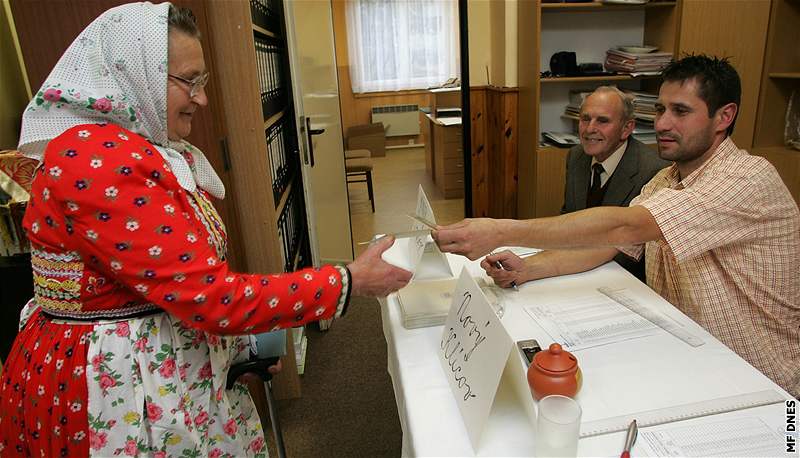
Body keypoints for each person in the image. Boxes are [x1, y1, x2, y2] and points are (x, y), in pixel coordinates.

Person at [0, 3, 411, 457]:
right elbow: (210, 296)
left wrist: (233, 346)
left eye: (203, 82)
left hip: (160, 369)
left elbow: (173, 280)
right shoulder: (94, 158)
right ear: (131, 72)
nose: (202, 98)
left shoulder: (142, 149)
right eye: (188, 81)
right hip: (115, 393)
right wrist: (348, 280)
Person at [433, 55, 800, 397]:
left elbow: (622, 229)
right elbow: (610, 246)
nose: (662, 123)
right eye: (659, 109)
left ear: (724, 117)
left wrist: (500, 230)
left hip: (761, 378)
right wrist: (529, 268)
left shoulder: (746, 179)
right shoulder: (667, 179)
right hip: (693, 352)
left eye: (681, 111)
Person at [562, 86, 669, 280]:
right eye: (585, 119)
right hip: (573, 270)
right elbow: (567, 217)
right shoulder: (576, 156)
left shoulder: (653, 171)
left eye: (602, 121)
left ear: (627, 128)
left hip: (622, 278)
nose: (589, 129)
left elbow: (639, 254)